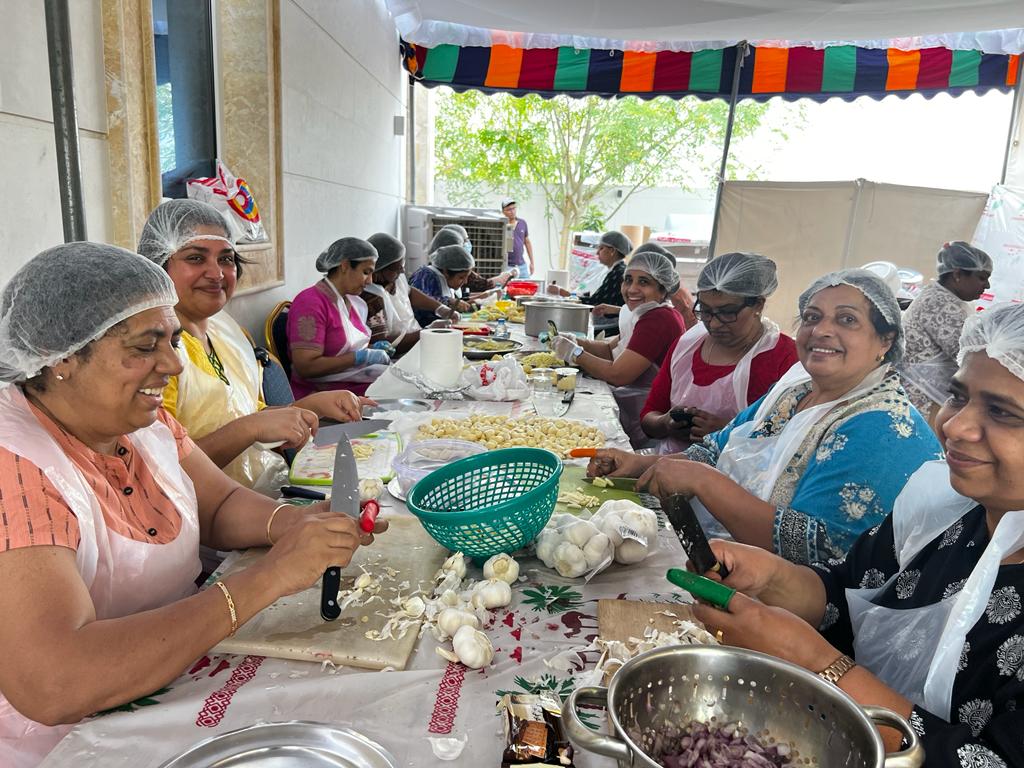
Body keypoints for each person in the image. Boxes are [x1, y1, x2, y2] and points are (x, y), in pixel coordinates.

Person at [0, 243, 386, 767]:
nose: (174, 364)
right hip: (74, 741)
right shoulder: (15, 467)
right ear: (64, 356)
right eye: (146, 346)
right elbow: (54, 682)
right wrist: (268, 578)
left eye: (174, 341)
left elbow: (217, 503)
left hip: (175, 678)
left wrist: (295, 525)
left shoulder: (141, 422)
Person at [690, 302, 1024, 766]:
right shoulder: (943, 508)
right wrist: (771, 580)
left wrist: (819, 666)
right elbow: (847, 593)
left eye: (1004, 413)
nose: (955, 426)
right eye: (958, 395)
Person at [589, 269, 942, 564]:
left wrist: (703, 482)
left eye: (847, 320)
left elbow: (812, 551)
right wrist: (635, 463)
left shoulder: (883, 427)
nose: (821, 330)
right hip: (720, 553)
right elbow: (715, 449)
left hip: (789, 613)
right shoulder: (798, 388)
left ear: (886, 340)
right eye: (812, 317)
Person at [138, 200, 368, 496]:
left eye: (226, 259)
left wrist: (309, 406)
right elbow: (160, 468)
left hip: (261, 491)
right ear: (158, 265)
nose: (217, 273)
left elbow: (245, 412)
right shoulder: (151, 356)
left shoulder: (226, 333)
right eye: (196, 258)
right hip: (203, 523)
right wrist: (249, 429)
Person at [641, 252, 799, 453]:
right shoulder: (687, 345)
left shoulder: (785, 359)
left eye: (727, 312)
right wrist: (666, 423)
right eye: (705, 311)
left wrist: (726, 432)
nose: (714, 323)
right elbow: (648, 417)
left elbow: (790, 444)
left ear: (758, 304)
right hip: (665, 463)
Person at [553, 250, 685, 447]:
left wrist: (575, 353)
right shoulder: (641, 313)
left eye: (644, 282)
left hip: (647, 416)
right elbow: (610, 350)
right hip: (632, 404)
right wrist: (578, 342)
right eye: (628, 280)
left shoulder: (659, 319)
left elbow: (618, 374)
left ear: (662, 288)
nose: (631, 289)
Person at [898, 241, 992, 425]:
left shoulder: (947, 298)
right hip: (922, 397)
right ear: (957, 274)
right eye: (982, 278)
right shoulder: (940, 304)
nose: (987, 286)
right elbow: (971, 357)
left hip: (926, 393)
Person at [288, 237, 392, 400]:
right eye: (366, 272)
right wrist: (360, 357)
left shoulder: (353, 303)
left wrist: (373, 348)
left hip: (352, 384)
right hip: (322, 395)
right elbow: (306, 367)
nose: (370, 281)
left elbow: (341, 348)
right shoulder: (310, 304)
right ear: (344, 265)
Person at [409, 244, 476, 327]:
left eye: (467, 277)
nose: (465, 282)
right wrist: (449, 301)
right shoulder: (425, 275)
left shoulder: (445, 280)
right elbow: (419, 301)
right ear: (446, 272)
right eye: (461, 277)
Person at [501, 199, 534, 278]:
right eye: (509, 209)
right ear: (503, 212)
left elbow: (527, 242)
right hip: (507, 266)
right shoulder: (502, 225)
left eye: (513, 208)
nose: (512, 211)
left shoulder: (522, 223)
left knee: (526, 287)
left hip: (521, 265)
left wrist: (532, 262)